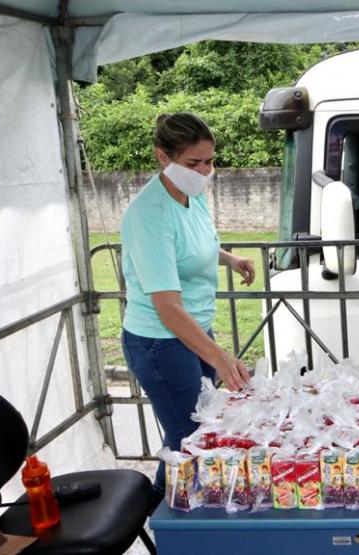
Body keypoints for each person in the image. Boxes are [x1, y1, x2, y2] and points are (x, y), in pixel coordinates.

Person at [120, 112, 255, 498]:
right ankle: (166, 517)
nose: (204, 170)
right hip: (159, 341)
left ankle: (178, 509)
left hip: (192, 332)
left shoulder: (191, 196)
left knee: (198, 428)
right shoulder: (150, 214)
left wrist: (229, 259)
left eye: (209, 161)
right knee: (188, 438)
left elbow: (195, 246)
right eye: (193, 163)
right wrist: (219, 357)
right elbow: (167, 306)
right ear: (163, 156)